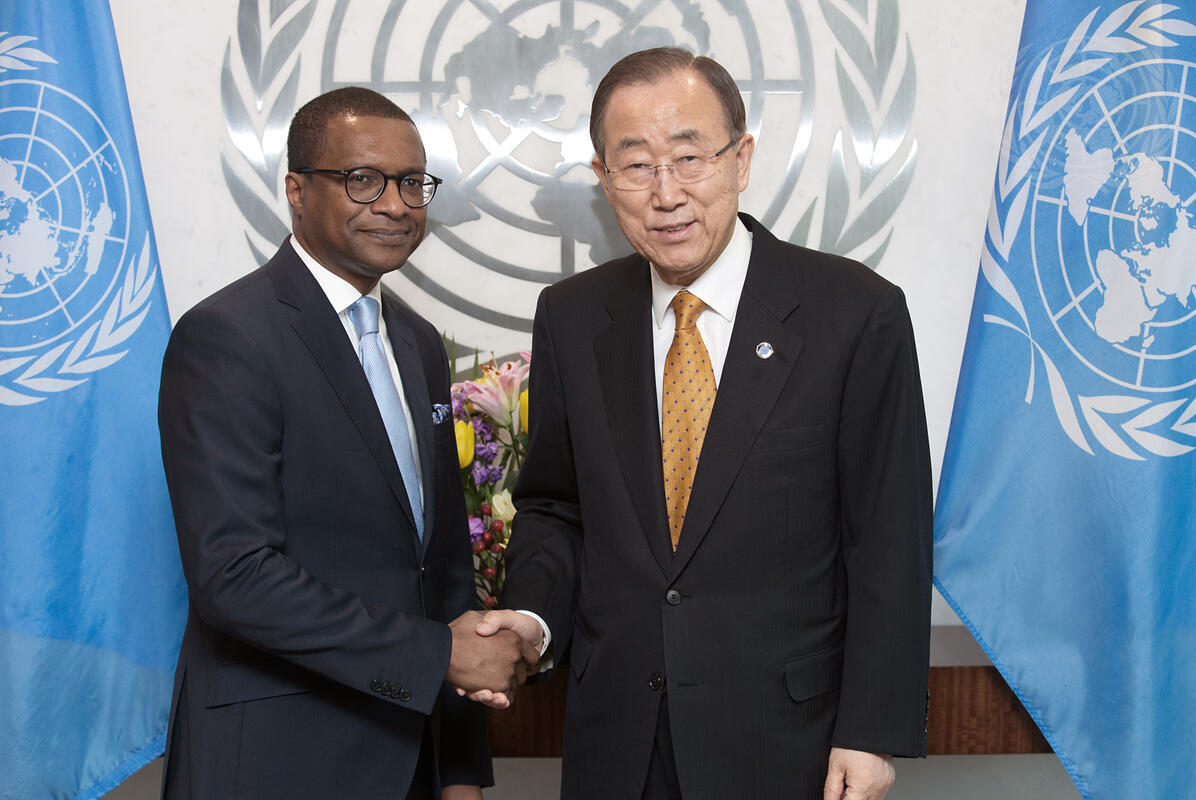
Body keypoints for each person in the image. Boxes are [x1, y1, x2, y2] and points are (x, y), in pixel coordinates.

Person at [476, 48, 933, 799]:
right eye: (636, 165)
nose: (667, 194)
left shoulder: (855, 313)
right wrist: (532, 616)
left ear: (741, 159)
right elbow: (556, 506)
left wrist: (873, 730)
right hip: (617, 737)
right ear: (603, 180)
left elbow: (889, 538)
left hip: (788, 742)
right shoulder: (573, 316)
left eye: (690, 158)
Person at [157, 87, 531, 800]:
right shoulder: (228, 337)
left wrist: (460, 772)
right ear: (297, 191)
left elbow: (444, 574)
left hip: (412, 759)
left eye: (412, 182)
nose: (394, 204)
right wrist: (434, 657)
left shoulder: (418, 342)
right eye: (363, 179)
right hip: (276, 761)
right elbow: (233, 576)